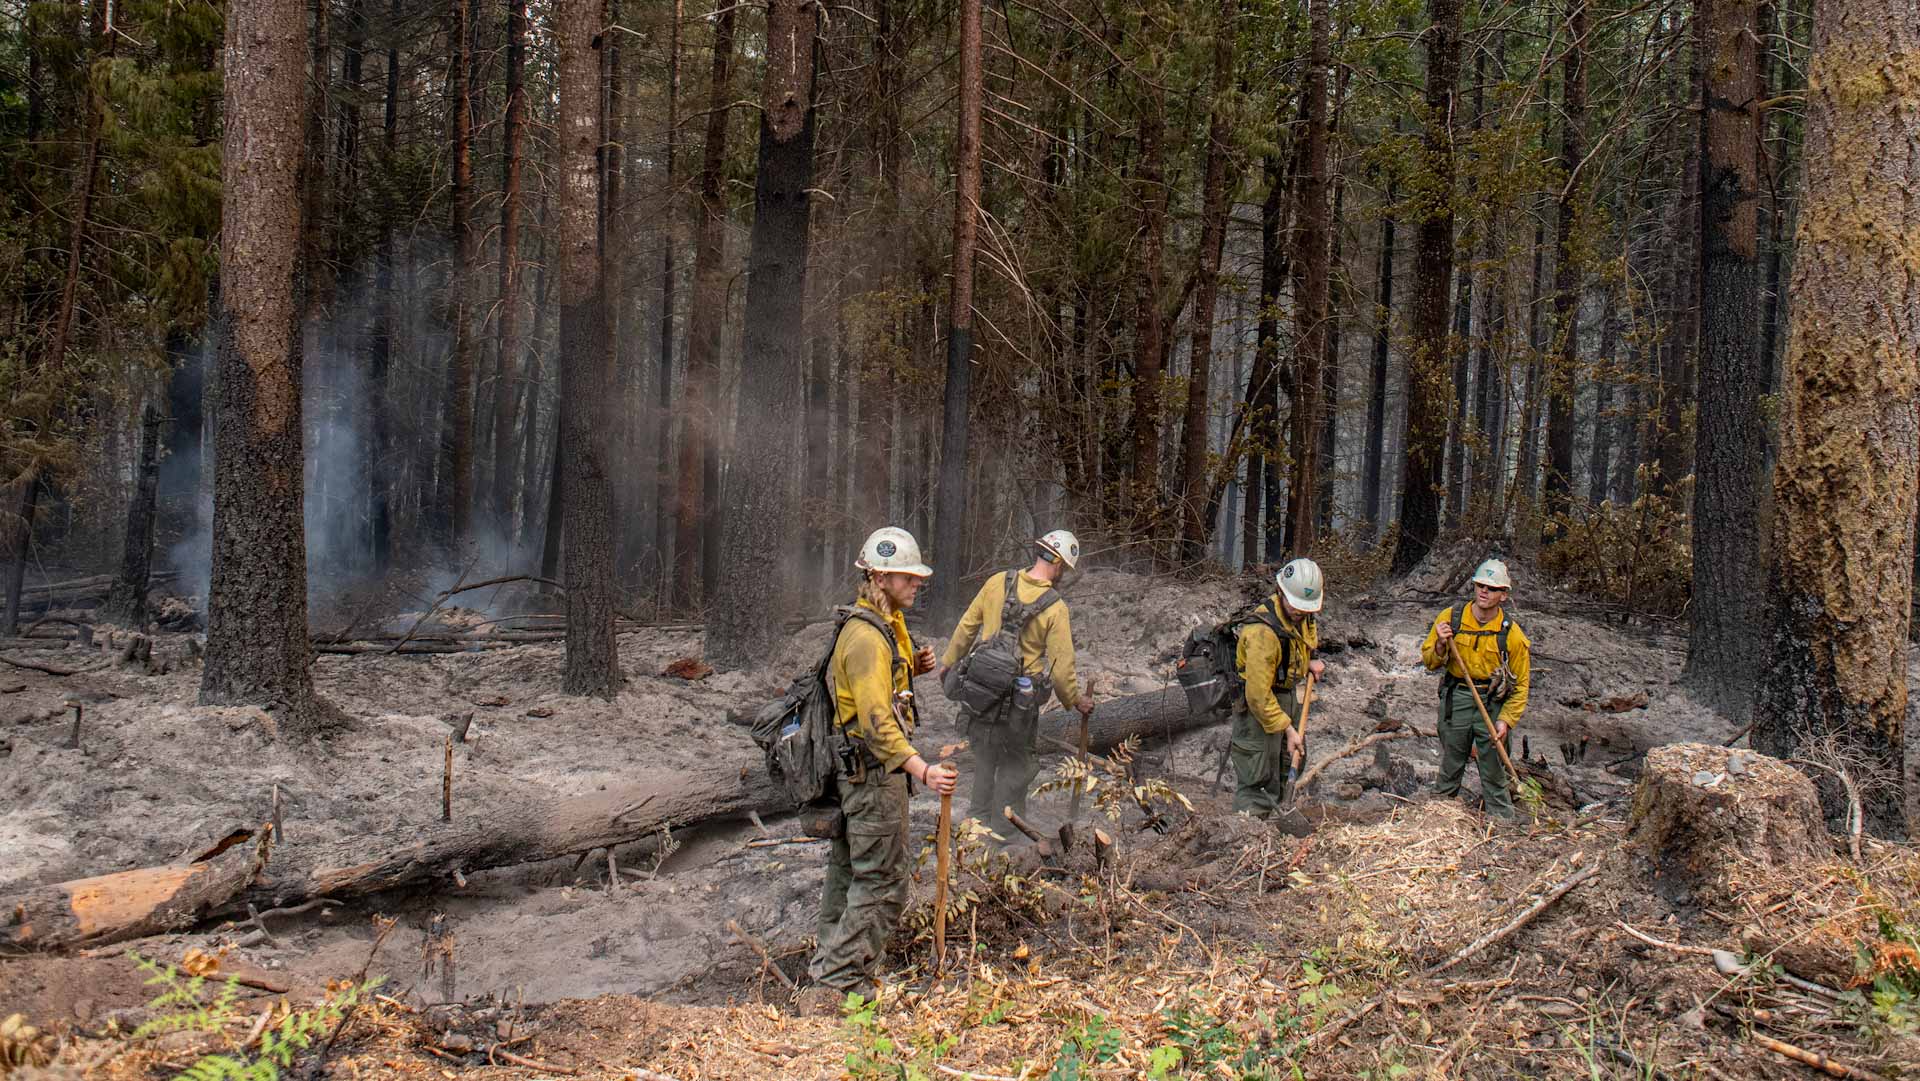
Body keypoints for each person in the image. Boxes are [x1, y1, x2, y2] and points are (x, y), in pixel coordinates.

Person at [806, 526, 957, 1004]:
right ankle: (841, 985)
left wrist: (916, 665)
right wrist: (923, 770)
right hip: (874, 775)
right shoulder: (867, 638)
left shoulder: (884, 625)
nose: (917, 584)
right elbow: (875, 722)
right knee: (883, 881)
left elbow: (883, 689)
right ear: (882, 577)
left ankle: (827, 966)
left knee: (849, 870)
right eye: (908, 577)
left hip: (864, 775)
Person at [938, 529, 1091, 836]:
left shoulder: (998, 582)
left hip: (980, 696)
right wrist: (1076, 700)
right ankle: (1005, 839)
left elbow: (967, 626)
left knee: (984, 762)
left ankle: (974, 833)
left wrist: (947, 664)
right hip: (1018, 709)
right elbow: (1061, 670)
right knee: (1016, 766)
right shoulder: (1055, 608)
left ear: (1040, 553)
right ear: (1059, 564)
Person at [1420, 557, 1532, 818]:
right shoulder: (1451, 619)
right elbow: (1429, 661)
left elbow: (1521, 686)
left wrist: (1505, 721)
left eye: (1492, 588)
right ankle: (1438, 819)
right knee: (1451, 763)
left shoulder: (1512, 634)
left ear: (1503, 595)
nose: (1484, 591)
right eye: (1480, 585)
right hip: (1457, 698)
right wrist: (1439, 644)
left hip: (1491, 702)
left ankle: (1502, 824)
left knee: (1494, 769)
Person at [1230, 558, 1325, 817]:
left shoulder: (1303, 614)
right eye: (1296, 607)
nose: (1301, 613)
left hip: (1287, 696)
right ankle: (1248, 833)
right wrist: (1288, 728)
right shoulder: (1262, 634)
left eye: (1306, 609)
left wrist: (1311, 658)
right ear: (1281, 592)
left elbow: (1307, 636)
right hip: (1257, 706)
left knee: (1288, 762)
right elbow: (1258, 696)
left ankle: (1278, 822)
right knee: (1258, 775)